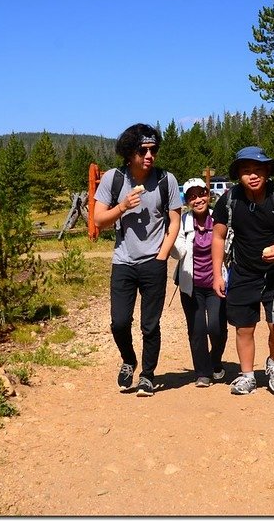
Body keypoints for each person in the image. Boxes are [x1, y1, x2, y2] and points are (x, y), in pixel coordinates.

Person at [93, 123, 182, 397]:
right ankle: (128, 360)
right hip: (123, 261)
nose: (149, 155)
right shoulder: (114, 179)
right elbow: (98, 219)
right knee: (119, 322)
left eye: (153, 149)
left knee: (150, 324)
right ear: (129, 152)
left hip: (153, 261)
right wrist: (122, 207)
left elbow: (175, 220)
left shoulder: (167, 180)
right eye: (143, 150)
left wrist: (163, 254)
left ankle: (147, 375)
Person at [211, 146, 274, 395]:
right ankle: (247, 375)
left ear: (267, 171)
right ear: (239, 175)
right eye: (246, 171)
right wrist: (217, 273)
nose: (252, 175)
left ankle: (273, 363)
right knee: (244, 327)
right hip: (242, 272)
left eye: (257, 170)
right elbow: (218, 237)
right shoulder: (229, 199)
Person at [170, 178, 228, 387]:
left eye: (201, 194)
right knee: (197, 330)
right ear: (187, 201)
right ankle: (203, 372)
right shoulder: (182, 222)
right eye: (192, 196)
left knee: (216, 327)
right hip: (191, 285)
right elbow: (179, 251)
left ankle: (215, 360)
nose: (198, 200)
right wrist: (167, 243)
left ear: (208, 195)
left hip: (216, 283)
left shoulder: (220, 219)